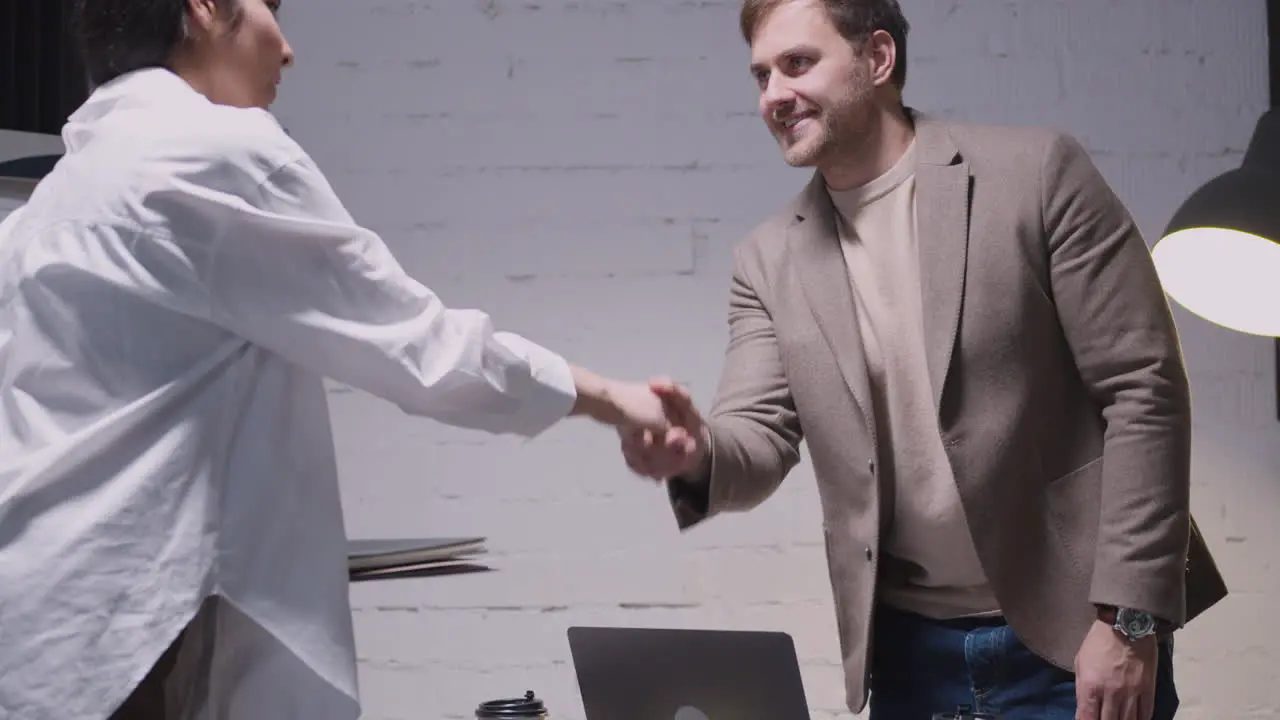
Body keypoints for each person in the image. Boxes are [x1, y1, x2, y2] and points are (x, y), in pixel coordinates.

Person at [0, 1, 675, 718]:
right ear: (201, 8)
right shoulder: (210, 153)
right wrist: (608, 396)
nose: (286, 50)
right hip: (128, 633)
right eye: (271, 10)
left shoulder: (50, 203)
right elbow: (421, 346)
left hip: (41, 616)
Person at [618, 1, 1228, 718]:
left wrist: (1128, 623)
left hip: (1075, 642)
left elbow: (1144, 390)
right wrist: (692, 456)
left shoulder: (1037, 175)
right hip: (910, 662)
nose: (773, 95)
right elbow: (756, 435)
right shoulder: (766, 260)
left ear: (878, 59)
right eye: (760, 75)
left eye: (798, 63)